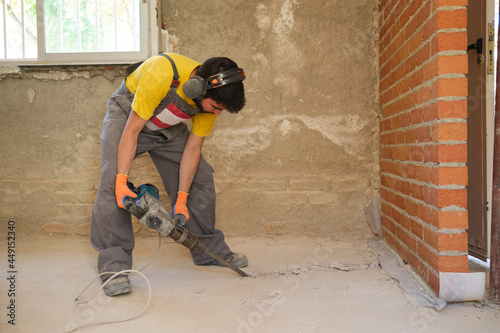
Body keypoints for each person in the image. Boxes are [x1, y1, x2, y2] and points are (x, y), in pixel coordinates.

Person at [90, 52, 248, 297]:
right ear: (197, 89)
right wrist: (122, 181)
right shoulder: (161, 73)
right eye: (216, 107)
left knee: (201, 175)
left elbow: (193, 149)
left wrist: (182, 199)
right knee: (112, 183)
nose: (217, 113)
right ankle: (114, 267)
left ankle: (207, 250)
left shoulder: (209, 105)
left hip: (165, 127)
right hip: (127, 116)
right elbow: (131, 131)